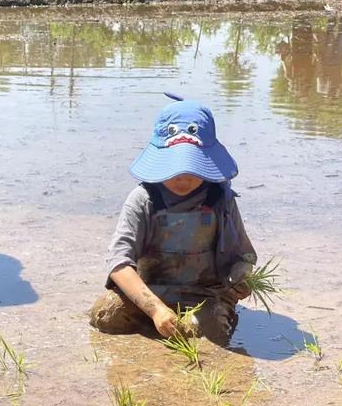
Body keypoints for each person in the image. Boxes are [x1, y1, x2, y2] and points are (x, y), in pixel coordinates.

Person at [89, 95, 257, 343]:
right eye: (174, 167)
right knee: (105, 314)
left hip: (204, 295)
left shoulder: (220, 200)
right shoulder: (143, 199)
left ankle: (199, 319)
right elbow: (118, 263)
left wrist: (242, 279)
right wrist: (155, 308)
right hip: (152, 290)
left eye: (192, 168)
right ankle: (157, 323)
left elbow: (243, 257)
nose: (182, 178)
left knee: (210, 331)